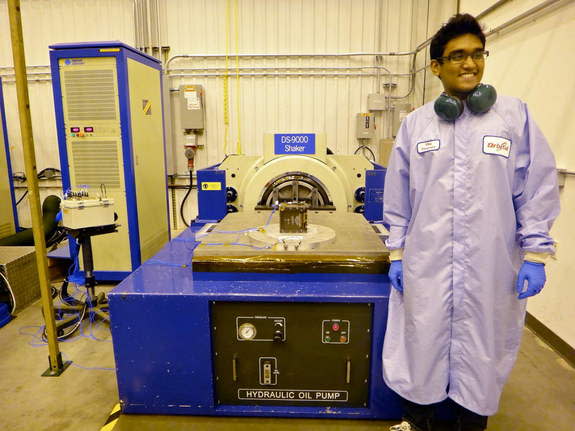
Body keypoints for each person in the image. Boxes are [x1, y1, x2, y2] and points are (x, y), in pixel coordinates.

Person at [382, 13, 560, 431]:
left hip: (491, 263)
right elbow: (399, 197)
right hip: (427, 259)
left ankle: (471, 424)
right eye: (458, 55)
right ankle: (417, 421)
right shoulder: (416, 125)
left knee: (483, 344)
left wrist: (535, 253)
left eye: (478, 54)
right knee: (420, 338)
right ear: (436, 66)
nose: (470, 64)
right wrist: (396, 251)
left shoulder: (514, 118)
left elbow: (534, 188)